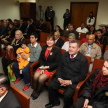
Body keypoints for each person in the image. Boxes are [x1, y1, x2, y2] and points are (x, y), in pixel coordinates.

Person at [45, 40, 88, 108]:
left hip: (73, 81)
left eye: (73, 47)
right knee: (51, 85)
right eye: (70, 47)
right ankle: (54, 101)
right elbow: (59, 67)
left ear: (78, 49)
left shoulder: (83, 59)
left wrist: (70, 82)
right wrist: (59, 78)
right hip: (62, 77)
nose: (70, 49)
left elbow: (82, 76)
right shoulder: (64, 54)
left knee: (67, 94)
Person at [31, 35, 61, 100]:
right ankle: (35, 90)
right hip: (42, 66)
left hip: (50, 68)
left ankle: (37, 92)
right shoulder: (44, 47)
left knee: (41, 78)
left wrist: (47, 67)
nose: (49, 42)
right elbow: (41, 59)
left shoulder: (57, 49)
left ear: (53, 41)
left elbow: (57, 62)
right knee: (35, 76)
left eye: (51, 40)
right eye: (47, 40)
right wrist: (42, 67)